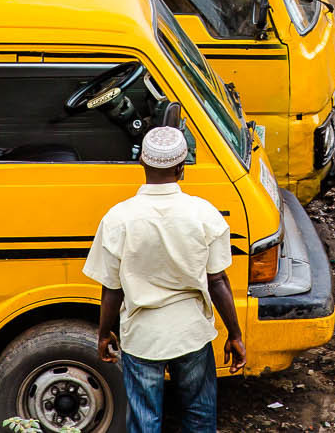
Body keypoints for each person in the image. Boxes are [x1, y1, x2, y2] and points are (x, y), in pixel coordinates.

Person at [85, 126, 245, 433]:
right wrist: (235, 334)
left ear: (142, 164)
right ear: (181, 167)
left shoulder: (118, 218)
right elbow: (218, 281)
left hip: (142, 338)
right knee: (199, 417)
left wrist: (105, 333)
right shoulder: (203, 214)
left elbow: (112, 290)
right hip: (191, 334)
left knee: (145, 422)